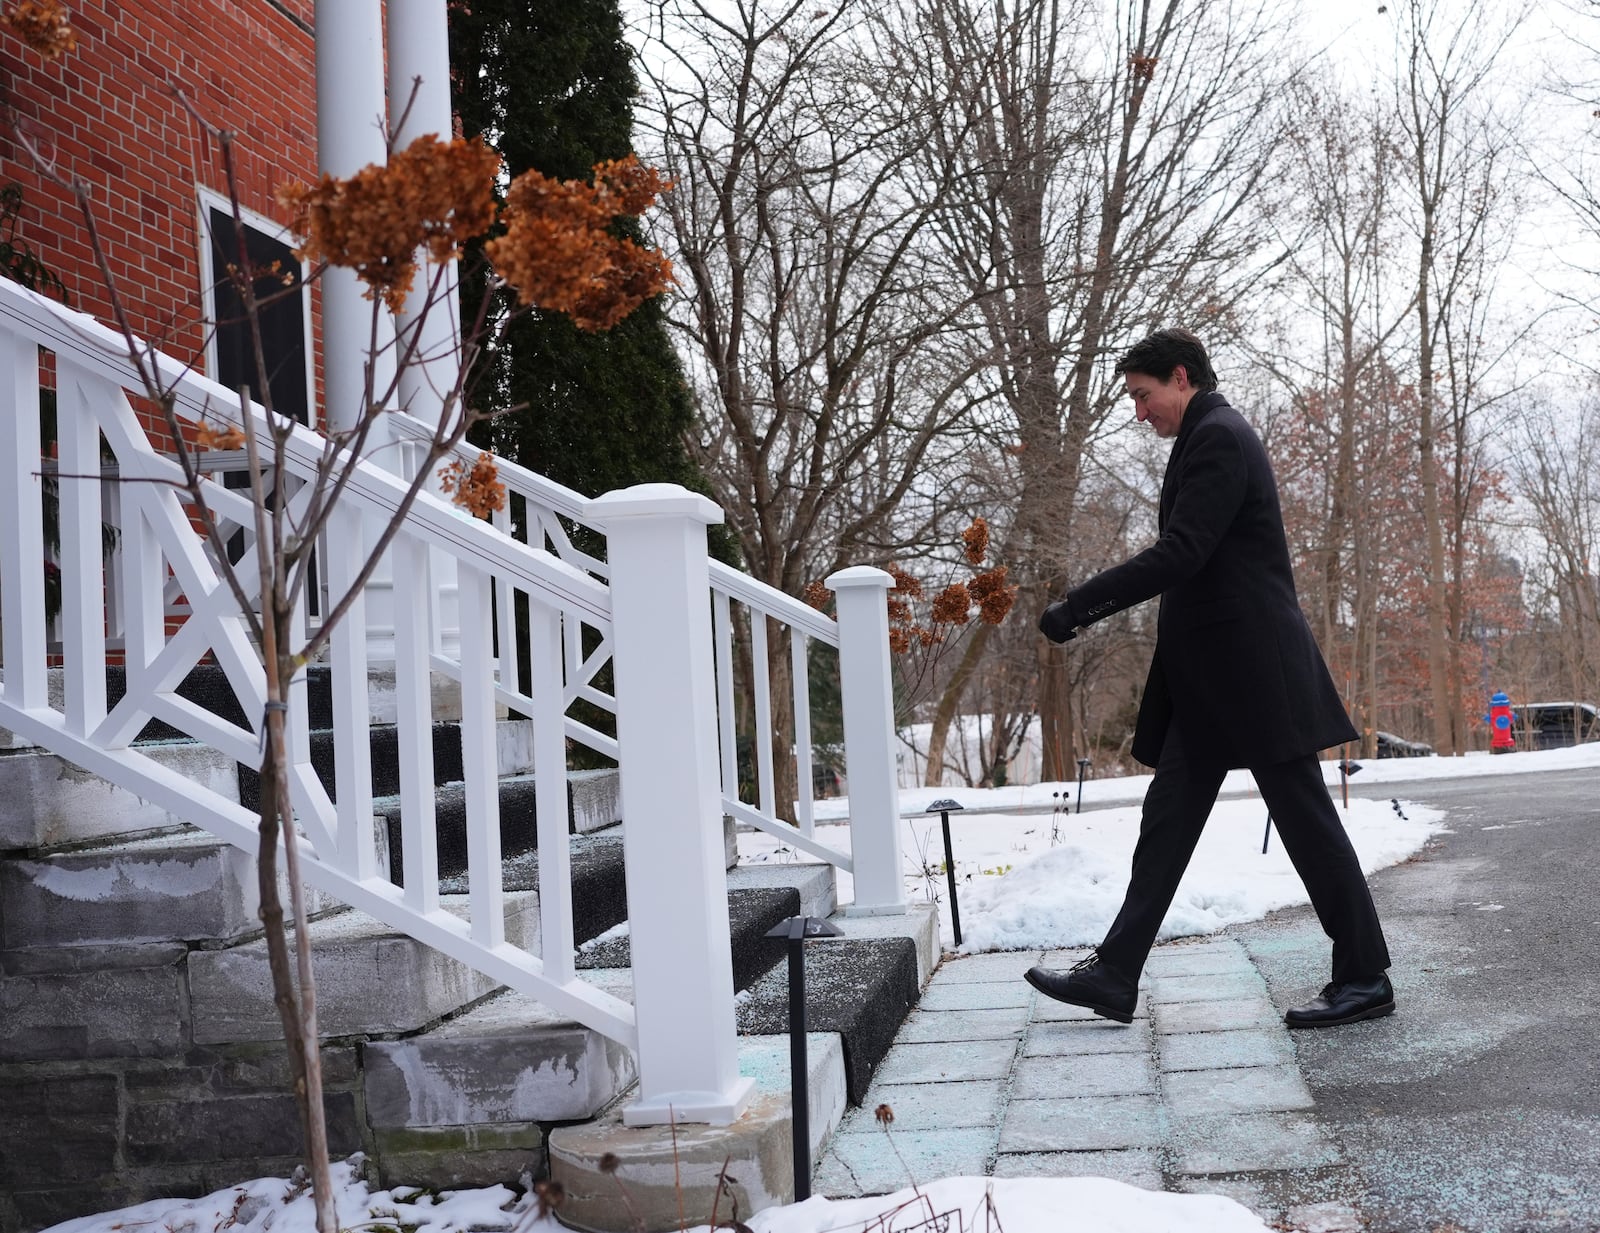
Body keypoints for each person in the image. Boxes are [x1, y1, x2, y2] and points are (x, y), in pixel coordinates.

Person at [1027, 328, 1393, 1029]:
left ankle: (1364, 975)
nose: (1139, 413)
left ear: (1180, 375)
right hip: (1216, 685)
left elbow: (1183, 553)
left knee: (1306, 822)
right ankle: (1115, 972)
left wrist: (1080, 606)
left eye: (1142, 395)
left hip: (1254, 677)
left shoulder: (1220, 436)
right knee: (1166, 823)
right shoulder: (1204, 436)